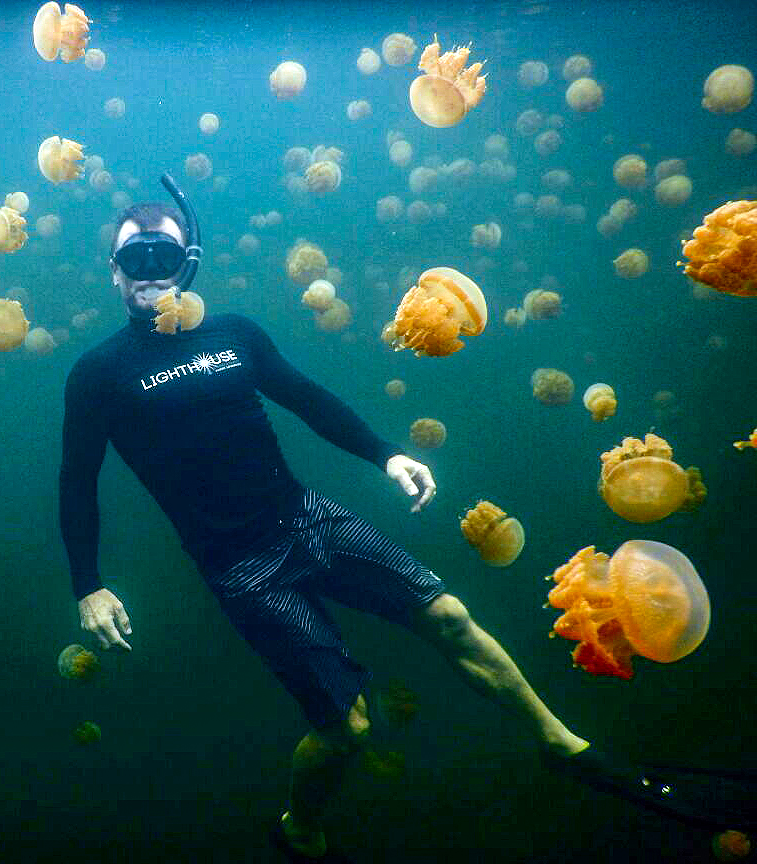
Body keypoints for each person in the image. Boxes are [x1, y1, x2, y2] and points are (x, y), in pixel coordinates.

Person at [58, 178, 591, 862]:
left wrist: (386, 455)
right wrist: (87, 584)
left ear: (187, 262)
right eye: (135, 259)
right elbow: (78, 482)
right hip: (242, 568)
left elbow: (305, 397)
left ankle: (559, 741)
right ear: (114, 271)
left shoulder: (236, 334)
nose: (150, 273)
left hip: (308, 516)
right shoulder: (98, 373)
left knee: (451, 617)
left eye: (164, 256)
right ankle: (299, 828)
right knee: (349, 731)